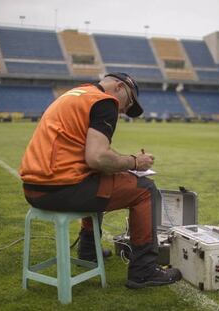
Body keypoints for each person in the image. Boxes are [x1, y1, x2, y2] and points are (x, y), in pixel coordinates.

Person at [19, 72, 181, 289]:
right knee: (145, 189)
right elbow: (97, 158)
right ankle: (143, 271)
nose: (123, 111)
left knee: (102, 177)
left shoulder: (76, 94)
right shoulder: (105, 101)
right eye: (128, 103)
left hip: (33, 189)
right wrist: (135, 162)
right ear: (119, 87)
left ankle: (88, 250)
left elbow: (91, 159)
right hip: (59, 189)